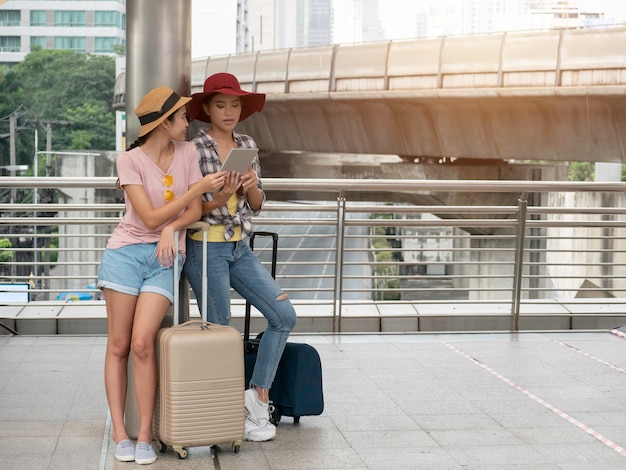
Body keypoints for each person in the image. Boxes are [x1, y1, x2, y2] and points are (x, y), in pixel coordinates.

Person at [97, 86, 227, 464]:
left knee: (142, 343)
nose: (188, 123)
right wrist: (196, 192)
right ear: (162, 123)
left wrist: (172, 230)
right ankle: (120, 432)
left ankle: (145, 436)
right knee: (119, 345)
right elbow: (150, 217)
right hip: (124, 254)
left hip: (166, 256)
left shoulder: (187, 153)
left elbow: (191, 213)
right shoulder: (130, 161)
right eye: (183, 117)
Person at [183, 73, 297, 442]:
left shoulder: (247, 143)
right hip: (206, 247)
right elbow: (193, 206)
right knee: (221, 333)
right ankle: (225, 413)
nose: (229, 111)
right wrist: (221, 192)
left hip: (240, 247)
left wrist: (249, 186)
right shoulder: (194, 148)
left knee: (284, 316)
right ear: (207, 109)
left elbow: (258, 205)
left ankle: (257, 396)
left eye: (235, 105)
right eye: (221, 105)